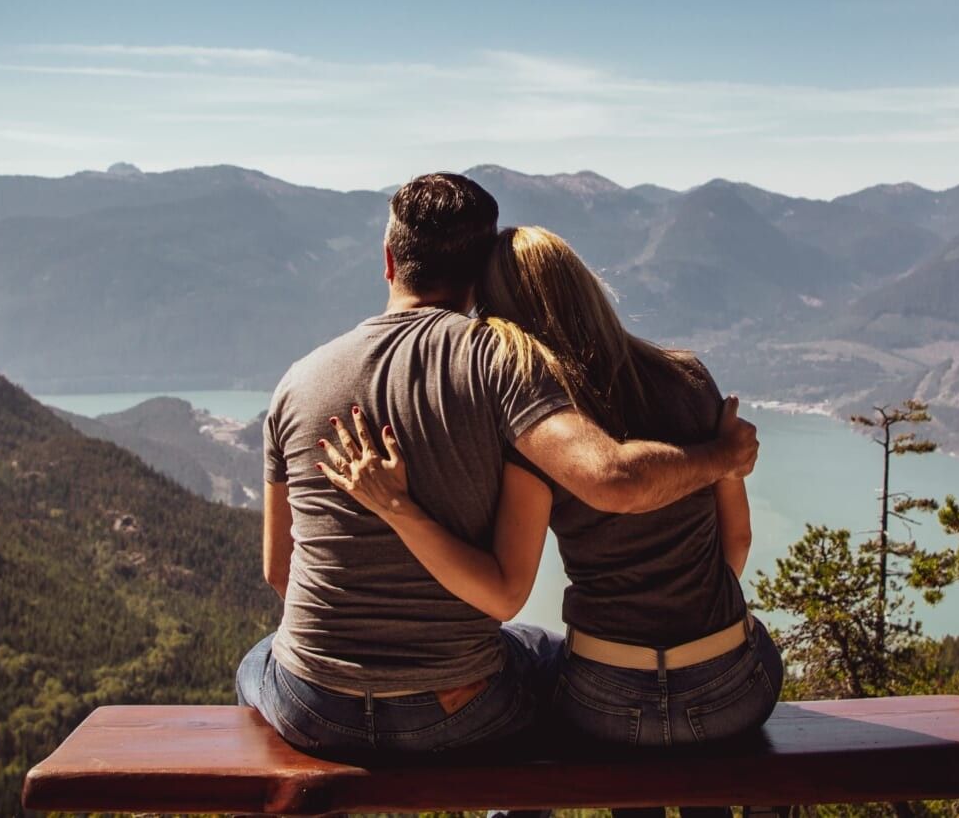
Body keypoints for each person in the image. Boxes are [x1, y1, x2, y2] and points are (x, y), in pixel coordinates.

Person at [236, 175, 760, 762]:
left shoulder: (295, 383)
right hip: (458, 707)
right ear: (479, 273)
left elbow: (280, 572)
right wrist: (723, 457)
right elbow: (606, 489)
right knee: (539, 655)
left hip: (313, 706)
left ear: (388, 260)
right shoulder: (503, 366)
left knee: (257, 660)